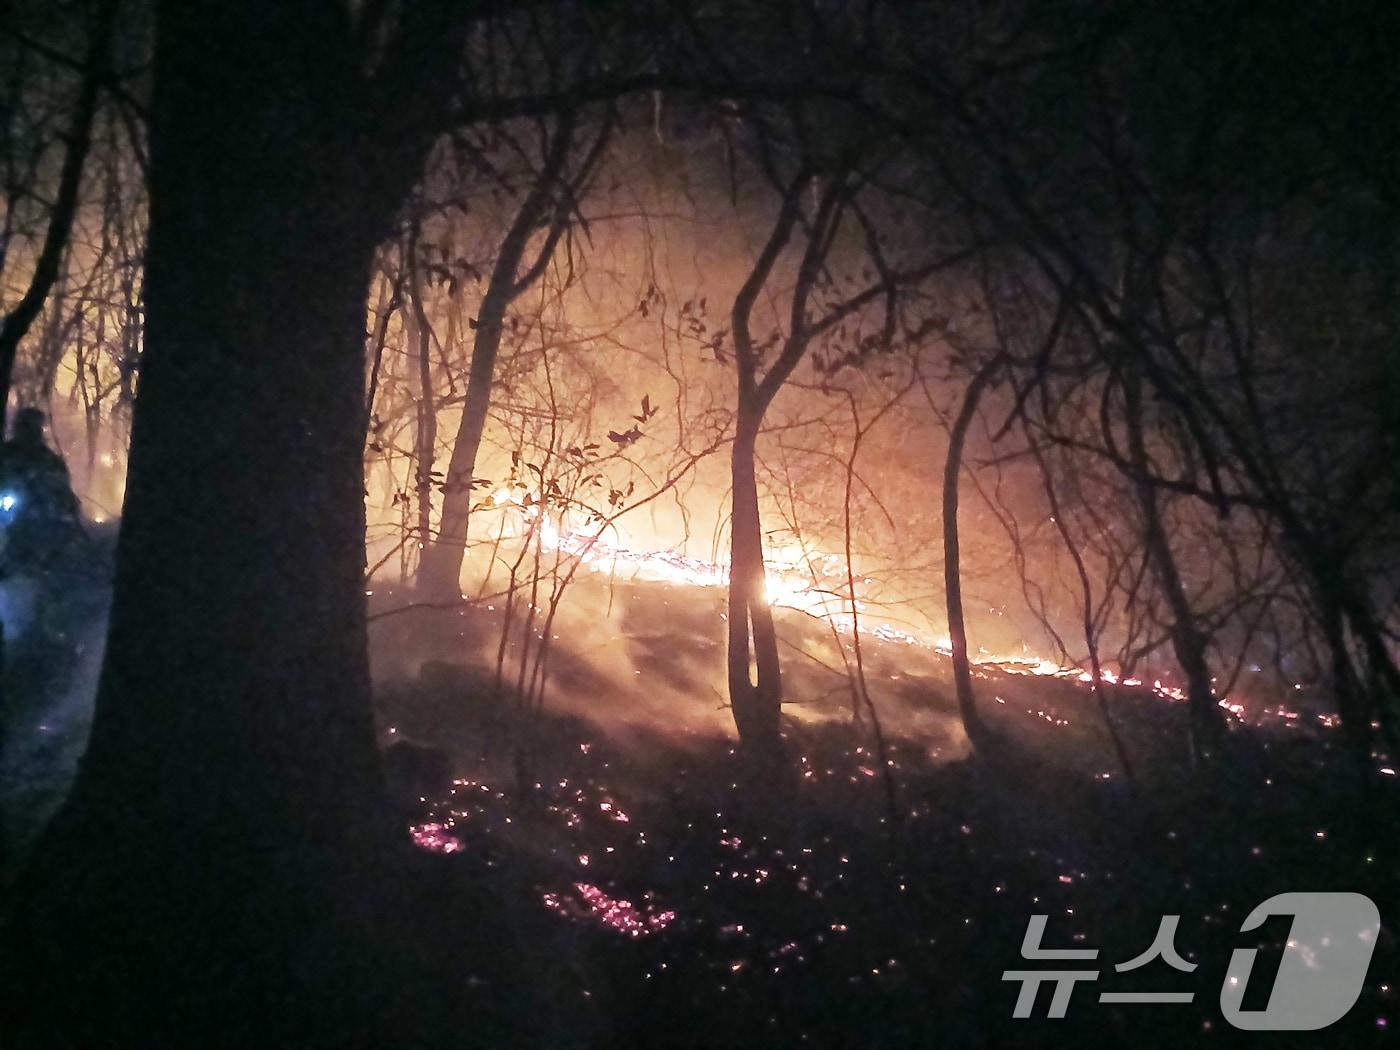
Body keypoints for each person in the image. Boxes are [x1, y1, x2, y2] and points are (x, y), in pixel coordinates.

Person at [0, 407, 82, 582]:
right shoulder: (7, 452)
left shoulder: (49, 459)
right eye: (24, 426)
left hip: (35, 511)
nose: (28, 431)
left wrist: (64, 501)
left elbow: (61, 484)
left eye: (32, 427)